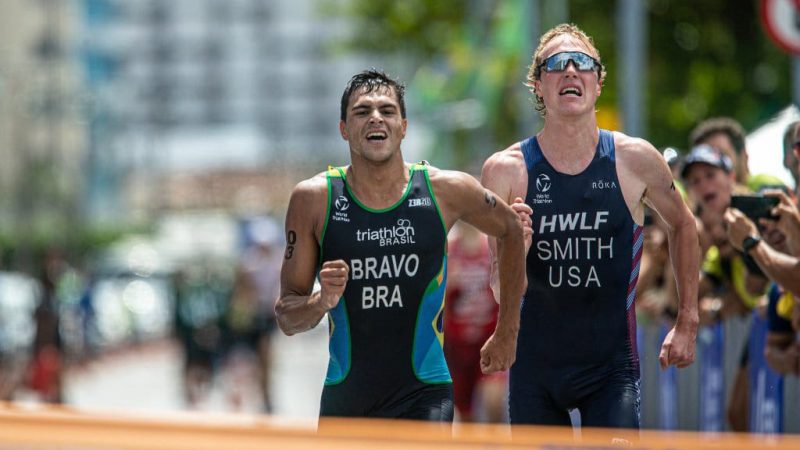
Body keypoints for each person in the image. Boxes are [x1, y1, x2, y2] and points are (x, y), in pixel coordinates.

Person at [274, 69, 526, 422]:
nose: (376, 118)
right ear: (344, 128)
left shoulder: (445, 190)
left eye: (387, 110)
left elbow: (512, 229)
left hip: (424, 394)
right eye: (362, 112)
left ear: (403, 126)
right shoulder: (314, 199)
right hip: (348, 399)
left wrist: (507, 330)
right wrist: (320, 301)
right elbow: (287, 316)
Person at [481, 23, 699, 429]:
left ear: (597, 83)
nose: (570, 70)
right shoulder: (506, 170)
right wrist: (517, 251)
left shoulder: (635, 160)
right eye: (555, 64)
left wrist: (687, 320)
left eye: (582, 62)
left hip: (611, 370)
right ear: (539, 87)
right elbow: (497, 287)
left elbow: (684, 226)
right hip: (535, 370)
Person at [443, 222, 507, 423]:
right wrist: (448, 286)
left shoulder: (490, 248)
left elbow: (505, 295)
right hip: (458, 347)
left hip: (487, 341)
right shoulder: (449, 250)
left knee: (493, 400)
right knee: (463, 413)